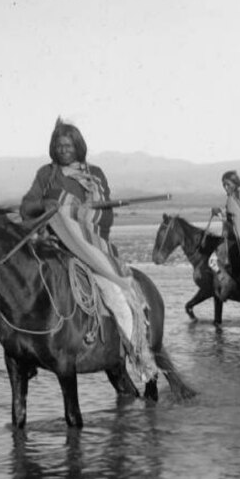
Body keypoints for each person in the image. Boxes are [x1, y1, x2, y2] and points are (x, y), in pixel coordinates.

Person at [20, 118, 155, 381]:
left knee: (116, 296)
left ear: (78, 146)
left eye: (69, 145)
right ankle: (27, 356)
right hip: (51, 247)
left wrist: (69, 211)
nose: (63, 149)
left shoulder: (95, 175)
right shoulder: (45, 174)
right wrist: (47, 205)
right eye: (59, 145)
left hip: (89, 248)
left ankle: (138, 355)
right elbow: (27, 206)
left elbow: (103, 216)